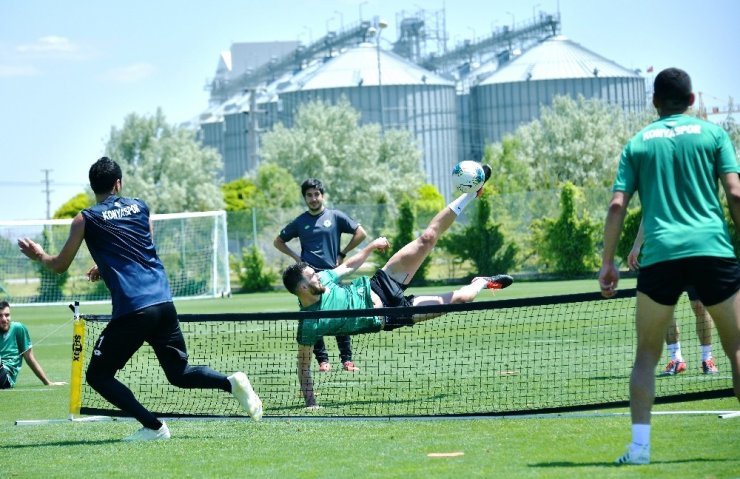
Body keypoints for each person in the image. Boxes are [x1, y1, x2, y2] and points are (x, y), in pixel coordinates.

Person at [17, 157, 262, 441]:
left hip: (134, 309)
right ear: (118, 183)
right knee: (179, 373)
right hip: (163, 303)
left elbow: (59, 265)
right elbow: (144, 247)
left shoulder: (85, 218)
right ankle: (230, 382)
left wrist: (38, 255)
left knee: (98, 376)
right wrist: (106, 266)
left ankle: (154, 427)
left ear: (92, 186)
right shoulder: (140, 206)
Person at [598, 68, 740, 465]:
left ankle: (640, 450)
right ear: (692, 100)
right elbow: (735, 193)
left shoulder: (638, 143)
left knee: (646, 354)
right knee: (738, 349)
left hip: (660, 257)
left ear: (655, 102)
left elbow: (616, 206)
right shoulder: (714, 135)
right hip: (713, 251)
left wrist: (608, 262)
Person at [282, 166, 514, 408]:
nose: (318, 277)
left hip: (380, 284)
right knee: (459, 302)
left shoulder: (326, 278)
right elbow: (303, 366)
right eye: (312, 277)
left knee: (427, 239)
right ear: (303, 289)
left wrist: (371, 247)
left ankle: (470, 194)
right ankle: (482, 282)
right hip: (391, 316)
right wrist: (311, 403)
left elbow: (349, 266)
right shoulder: (308, 323)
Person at [274, 178, 367, 373]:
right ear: (305, 198)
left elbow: (361, 233)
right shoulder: (300, 222)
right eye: (309, 195)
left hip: (333, 275)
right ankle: (323, 361)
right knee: (314, 321)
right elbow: (278, 241)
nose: (313, 198)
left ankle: (347, 360)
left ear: (322, 195)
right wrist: (296, 258)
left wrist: (342, 253)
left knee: (341, 315)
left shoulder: (335, 216)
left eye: (316, 194)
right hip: (309, 278)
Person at [627, 221, 720, 376]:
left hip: (695, 252)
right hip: (665, 255)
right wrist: (637, 246)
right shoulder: (657, 195)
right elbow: (647, 216)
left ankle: (707, 359)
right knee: (666, 308)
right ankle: (676, 359)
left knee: (699, 305)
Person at [0, 300, 67, 389]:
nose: (4, 319)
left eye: (7, 315)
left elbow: (29, 358)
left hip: (5, 377)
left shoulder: (18, 328)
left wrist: (47, 382)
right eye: (0, 316)